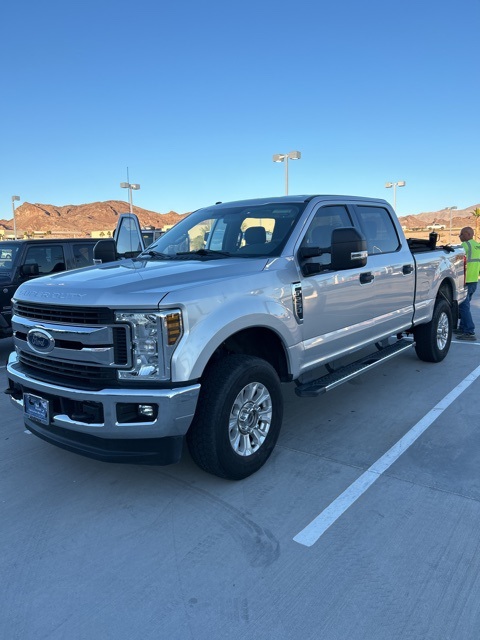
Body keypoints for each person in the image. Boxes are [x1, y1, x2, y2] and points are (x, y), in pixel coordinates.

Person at [455, 226, 480, 341]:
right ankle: (462, 327)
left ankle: (469, 331)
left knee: (464, 307)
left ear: (467, 234)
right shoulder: (478, 246)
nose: (460, 237)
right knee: (465, 306)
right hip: (474, 280)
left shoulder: (465, 246)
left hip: (465, 281)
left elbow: (455, 259)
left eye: (461, 234)